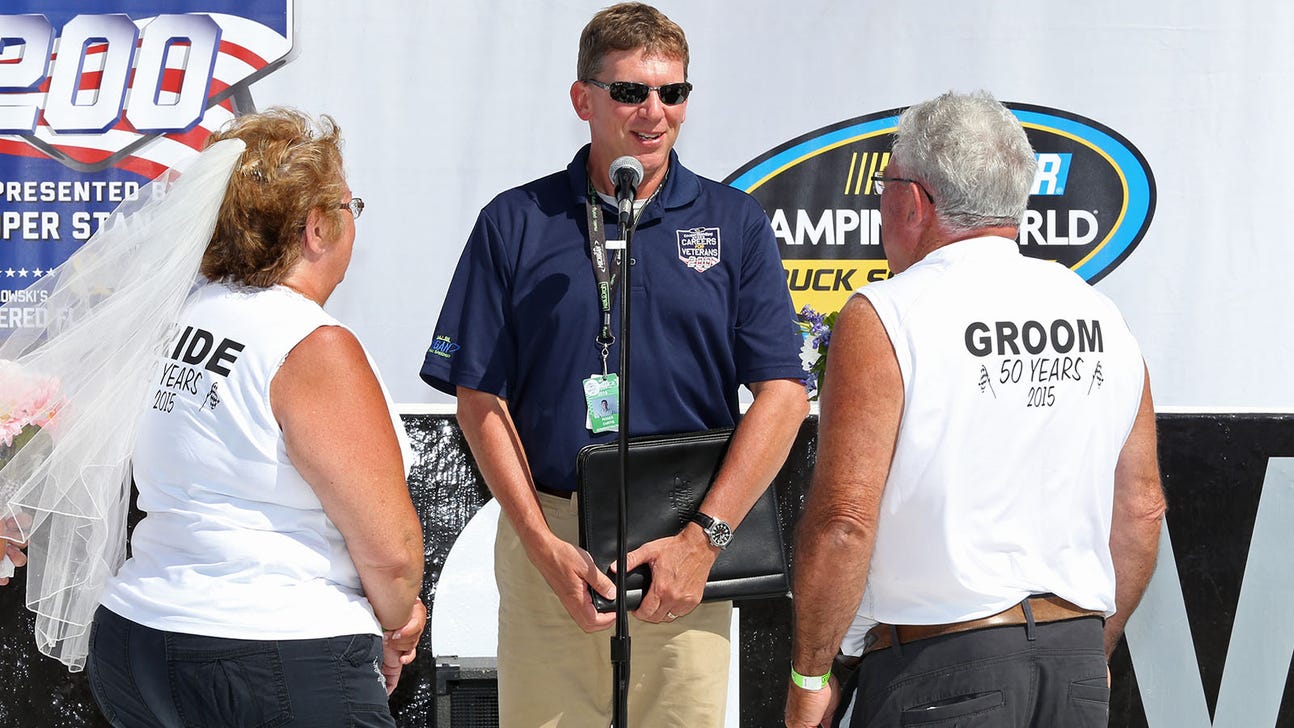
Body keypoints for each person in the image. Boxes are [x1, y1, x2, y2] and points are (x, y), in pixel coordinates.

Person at [420, 3, 808, 724]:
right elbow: (478, 398)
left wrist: (705, 540)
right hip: (554, 537)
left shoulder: (734, 223)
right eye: (630, 91)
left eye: (673, 92)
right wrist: (540, 543)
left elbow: (783, 395)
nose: (654, 112)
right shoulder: (516, 220)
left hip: (683, 536)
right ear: (583, 98)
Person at [784, 91, 1166, 728]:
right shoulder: (1102, 315)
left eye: (883, 189)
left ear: (914, 201)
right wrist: (1092, 646)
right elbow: (1142, 507)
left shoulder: (888, 313)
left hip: (942, 669)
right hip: (1071, 667)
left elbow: (845, 520)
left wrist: (809, 677)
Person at [84, 109, 427, 727]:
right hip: (273, 653)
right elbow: (391, 553)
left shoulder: (177, 318)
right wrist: (400, 620)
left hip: (136, 641)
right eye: (352, 206)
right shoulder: (312, 344)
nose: (356, 222)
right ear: (317, 228)